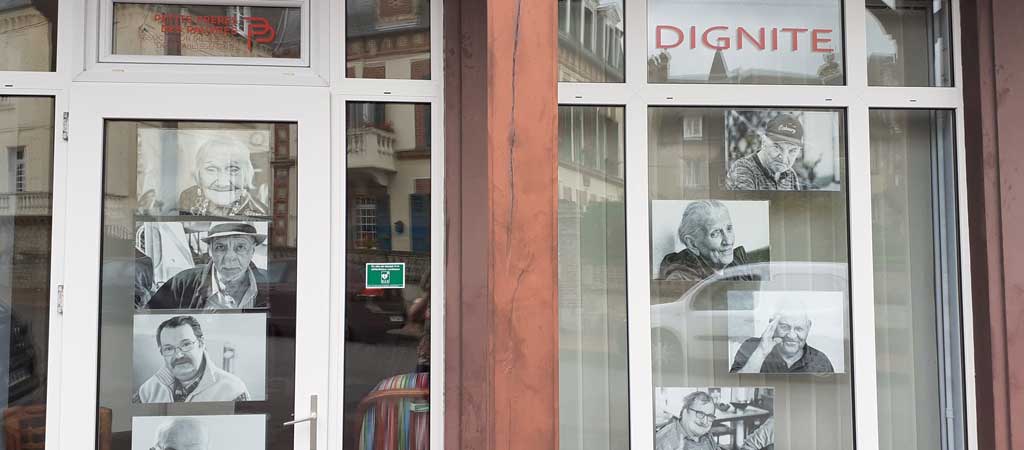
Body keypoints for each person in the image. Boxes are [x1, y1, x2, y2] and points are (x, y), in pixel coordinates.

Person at [147, 222, 269, 309]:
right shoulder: (182, 283)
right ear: (210, 250)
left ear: (252, 251)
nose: (230, 258)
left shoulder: (271, 286)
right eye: (220, 247)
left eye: (240, 247)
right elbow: (147, 320)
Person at [136, 315, 250, 403]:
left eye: (186, 344)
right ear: (162, 352)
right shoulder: (147, 391)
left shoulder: (233, 390)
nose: (178, 355)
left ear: (201, 343)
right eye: (169, 348)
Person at [658, 200, 759, 281]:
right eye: (715, 233)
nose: (728, 241)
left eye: (729, 228)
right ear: (692, 244)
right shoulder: (682, 278)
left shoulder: (738, 262)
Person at [179, 136, 268, 217]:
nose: (222, 183)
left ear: (247, 174)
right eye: (211, 169)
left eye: (233, 169)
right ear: (198, 174)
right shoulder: (188, 197)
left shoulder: (259, 212)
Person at [730, 311, 835, 374]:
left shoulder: (820, 361)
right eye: (784, 327)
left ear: (808, 327)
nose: (791, 336)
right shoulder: (751, 347)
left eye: (799, 329)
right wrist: (761, 351)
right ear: (772, 324)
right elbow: (735, 389)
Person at [726, 113, 806, 191]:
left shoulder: (790, 175)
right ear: (764, 142)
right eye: (777, 147)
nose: (784, 158)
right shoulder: (742, 169)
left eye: (792, 151)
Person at [655, 390, 723, 450]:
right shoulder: (664, 441)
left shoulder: (706, 434)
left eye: (710, 416)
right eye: (700, 413)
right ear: (685, 412)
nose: (705, 422)